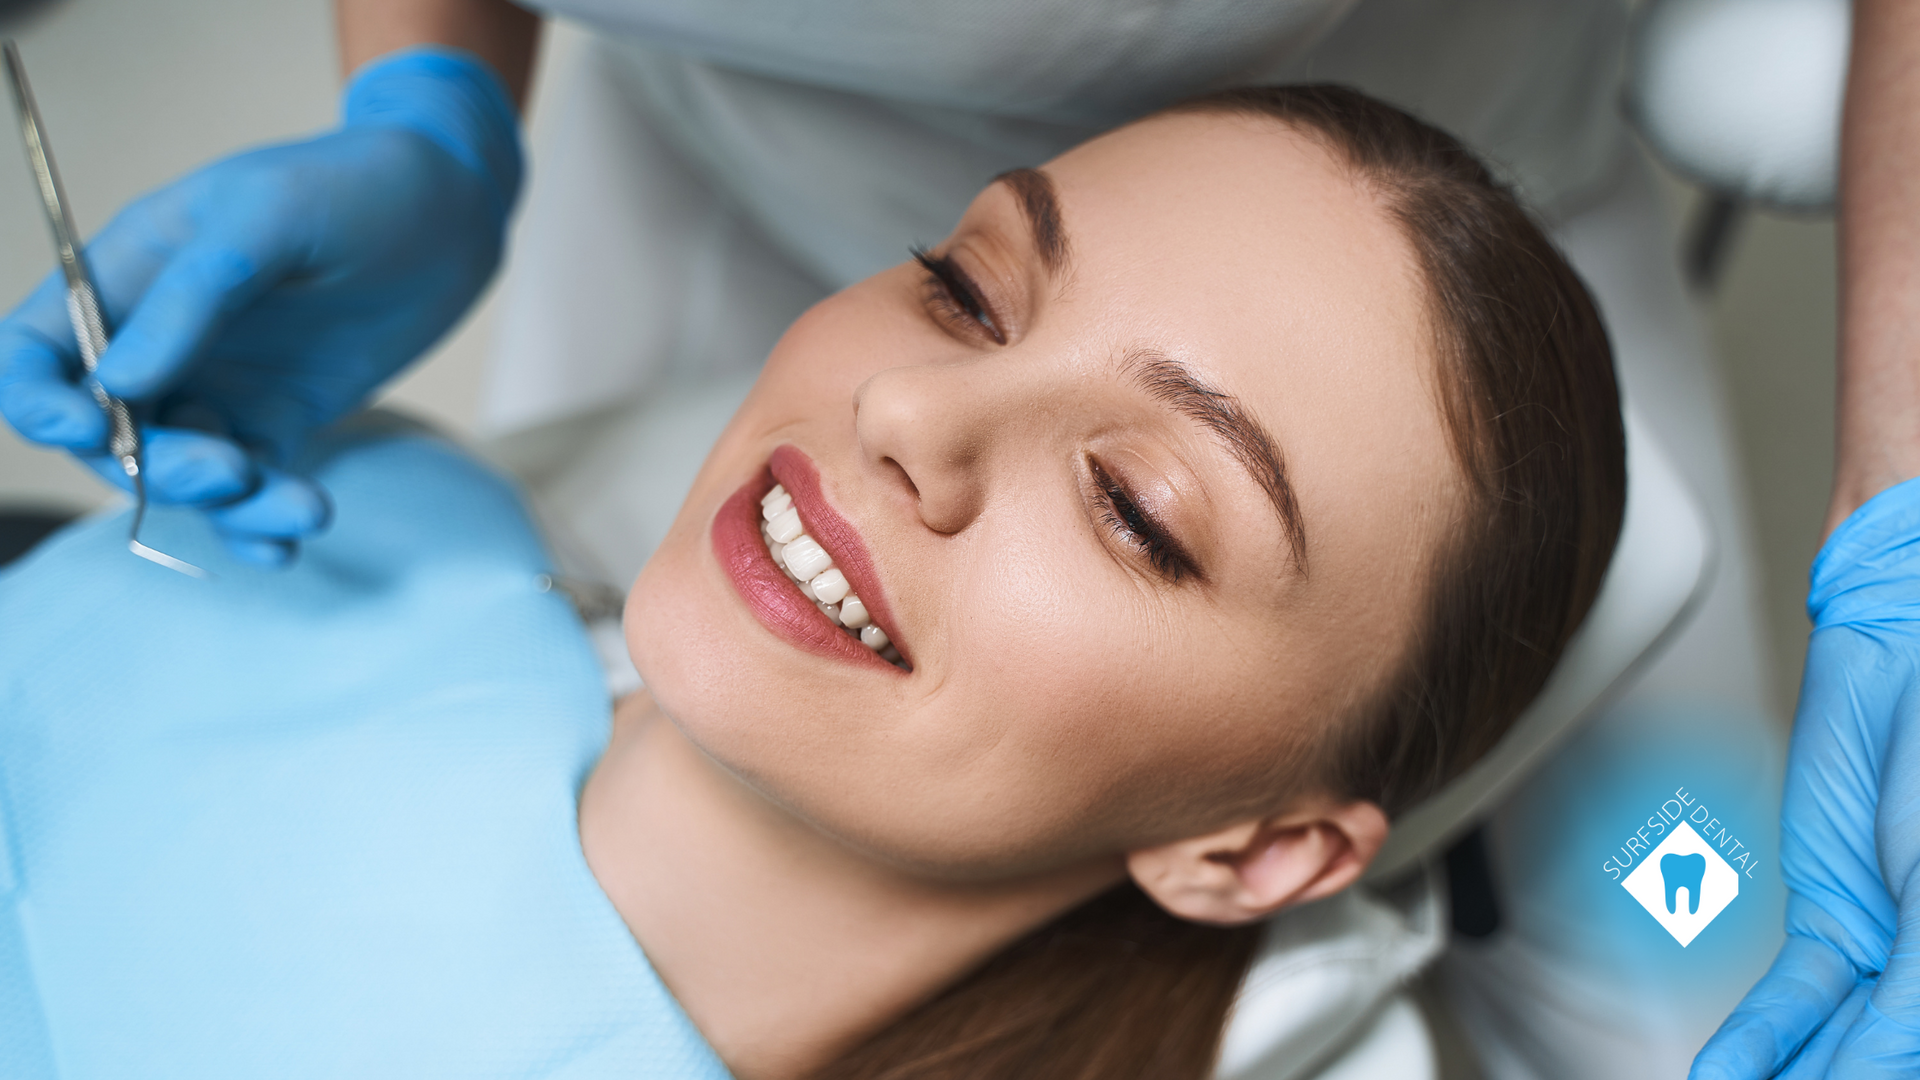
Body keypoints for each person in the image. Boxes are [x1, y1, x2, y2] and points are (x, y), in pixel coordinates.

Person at [0, 87, 1626, 1078]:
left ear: (1253, 849)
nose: (906, 409)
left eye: (1137, 508)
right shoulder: (372, 509)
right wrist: (429, 111)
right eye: (968, 291)